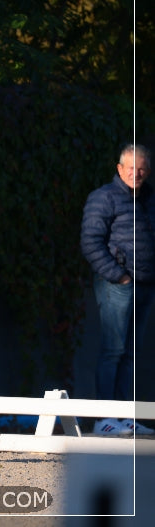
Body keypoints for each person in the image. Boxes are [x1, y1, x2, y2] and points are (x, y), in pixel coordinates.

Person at [80, 143, 155, 435]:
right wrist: (120, 276)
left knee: (132, 353)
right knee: (114, 350)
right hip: (118, 285)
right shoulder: (103, 198)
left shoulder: (149, 199)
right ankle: (105, 419)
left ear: (147, 171)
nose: (136, 173)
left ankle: (126, 417)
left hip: (146, 285)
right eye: (130, 167)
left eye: (141, 168)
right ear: (119, 169)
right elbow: (91, 242)